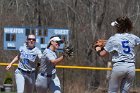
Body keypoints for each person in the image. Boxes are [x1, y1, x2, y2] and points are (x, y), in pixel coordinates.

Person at [95, 16, 140, 93]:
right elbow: (124, 41)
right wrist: (106, 42)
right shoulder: (133, 37)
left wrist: (97, 48)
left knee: (112, 91)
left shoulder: (113, 39)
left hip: (119, 67)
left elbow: (103, 54)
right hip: (131, 68)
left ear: (117, 27)